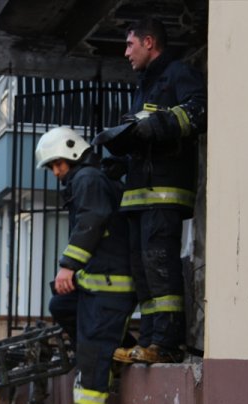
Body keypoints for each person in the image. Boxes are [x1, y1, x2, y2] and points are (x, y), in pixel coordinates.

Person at [106, 17, 207, 365]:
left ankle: (166, 344)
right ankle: (149, 341)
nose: (126, 52)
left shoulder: (179, 74)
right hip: (138, 196)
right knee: (144, 274)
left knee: (160, 268)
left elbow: (197, 113)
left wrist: (152, 126)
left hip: (163, 193)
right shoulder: (144, 85)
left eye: (130, 44)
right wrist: (120, 155)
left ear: (149, 42)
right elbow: (146, 132)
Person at [35, 126, 137, 404]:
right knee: (61, 303)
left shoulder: (88, 179)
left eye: (58, 164)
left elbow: (93, 219)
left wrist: (68, 265)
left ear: (74, 152)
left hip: (110, 287)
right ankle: (112, 349)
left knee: (91, 358)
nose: (56, 172)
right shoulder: (88, 179)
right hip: (98, 283)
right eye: (52, 167)